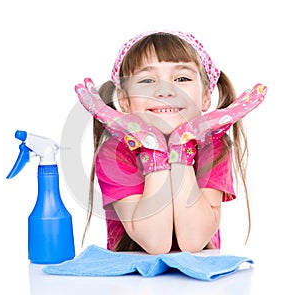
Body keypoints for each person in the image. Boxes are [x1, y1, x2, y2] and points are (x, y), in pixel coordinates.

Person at [75, 30, 266, 254]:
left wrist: (181, 146)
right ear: (125, 101)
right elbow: (155, 242)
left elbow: (193, 241)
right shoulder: (114, 152)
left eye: (182, 79)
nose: (165, 91)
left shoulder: (213, 147)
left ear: (206, 97)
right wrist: (152, 146)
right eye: (147, 80)